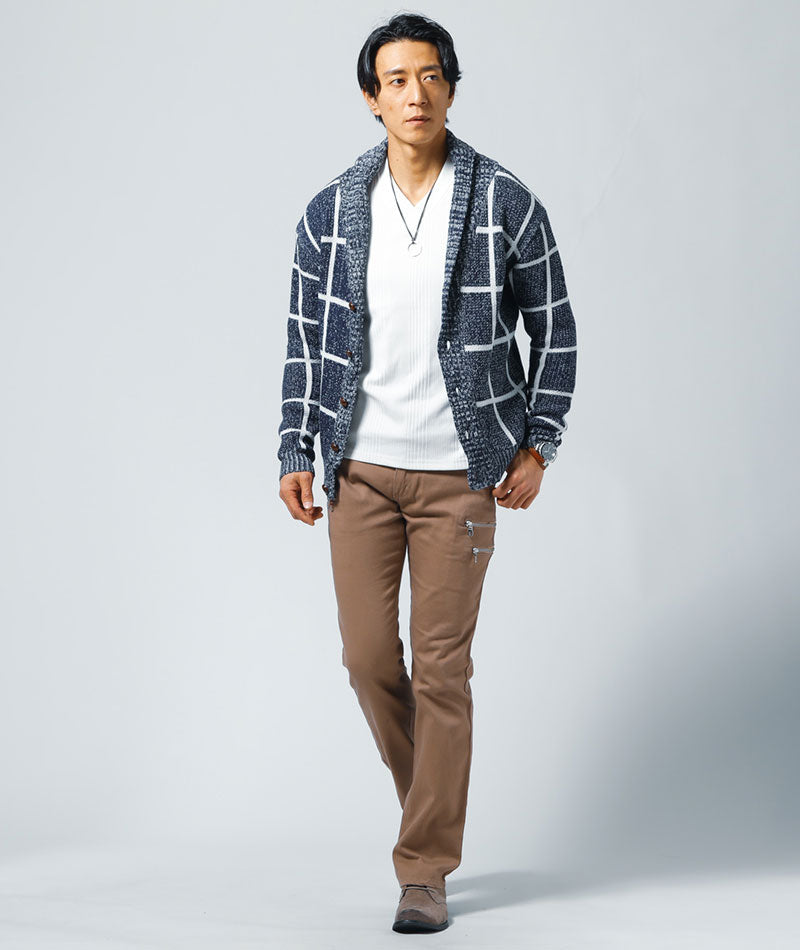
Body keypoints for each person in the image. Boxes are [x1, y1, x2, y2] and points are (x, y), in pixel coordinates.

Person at [277, 12, 577, 934]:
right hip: (360, 471)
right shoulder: (331, 212)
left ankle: (425, 869)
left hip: (460, 475)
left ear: (451, 86)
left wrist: (537, 443)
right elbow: (304, 340)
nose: (416, 94)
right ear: (372, 98)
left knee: (443, 672)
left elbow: (556, 330)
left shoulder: (504, 202)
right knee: (369, 661)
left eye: (431, 76)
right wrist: (294, 447)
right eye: (397, 80)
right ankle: (433, 804)